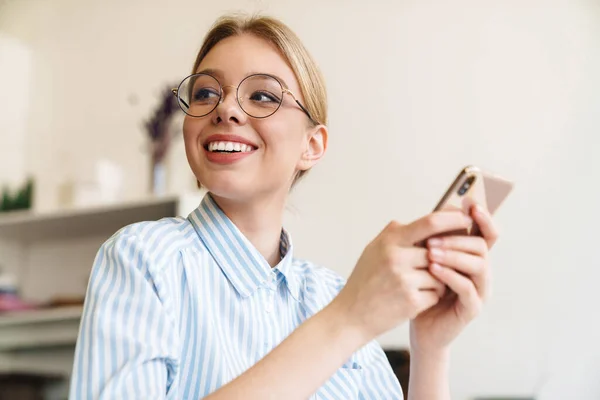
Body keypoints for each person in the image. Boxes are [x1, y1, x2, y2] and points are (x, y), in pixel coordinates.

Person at [69, 13, 498, 400]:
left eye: (261, 96)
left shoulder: (335, 295)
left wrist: (431, 350)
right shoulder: (143, 259)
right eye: (205, 93)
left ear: (312, 145)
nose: (226, 109)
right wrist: (347, 321)